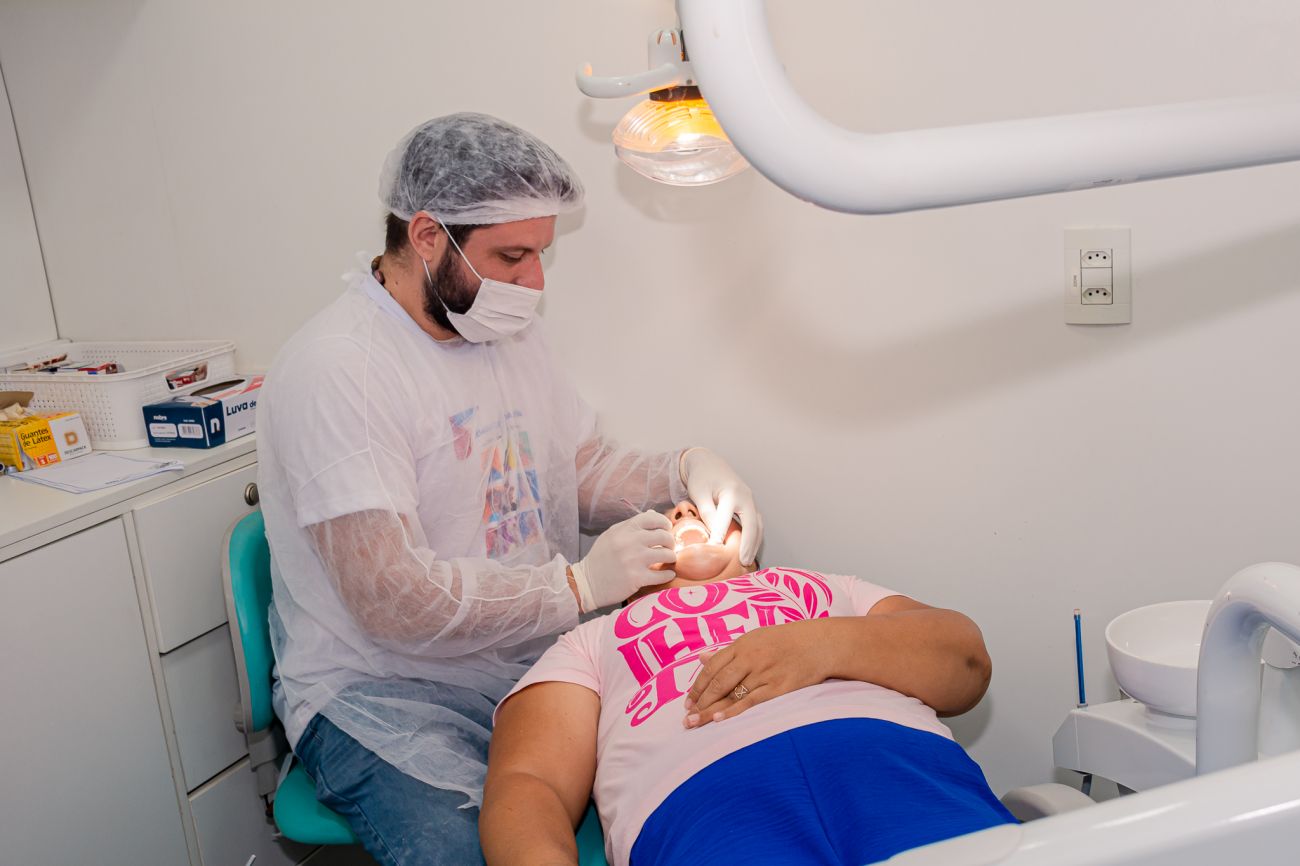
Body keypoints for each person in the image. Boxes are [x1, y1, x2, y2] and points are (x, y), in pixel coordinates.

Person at [256, 113, 763, 866]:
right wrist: (578, 585)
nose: (533, 282)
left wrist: (683, 469)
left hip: (527, 663)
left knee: (708, 781)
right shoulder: (342, 373)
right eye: (512, 256)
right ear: (428, 236)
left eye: (540, 255)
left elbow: (571, 470)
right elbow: (393, 603)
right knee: (484, 851)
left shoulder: (501, 331)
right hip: (386, 694)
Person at [481, 500, 1015, 866]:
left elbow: (966, 662)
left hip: (898, 766)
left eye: (702, 508)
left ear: (752, 549)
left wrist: (820, 645)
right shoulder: (592, 640)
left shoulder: (819, 588)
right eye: (668, 515)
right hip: (700, 808)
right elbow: (530, 782)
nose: (684, 511)